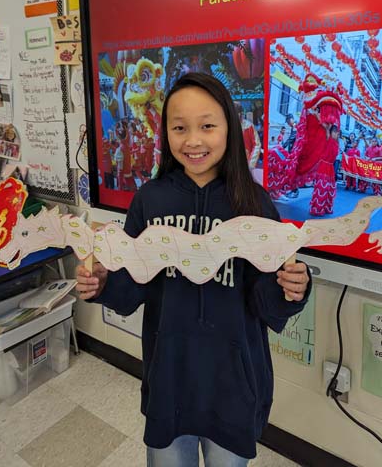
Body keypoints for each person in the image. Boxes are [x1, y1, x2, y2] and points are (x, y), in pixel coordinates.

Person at [76, 73, 310, 467]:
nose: (193, 140)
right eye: (180, 128)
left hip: (232, 385)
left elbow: (266, 298)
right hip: (170, 376)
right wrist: (102, 283)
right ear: (165, 132)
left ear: (229, 130)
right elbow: (134, 286)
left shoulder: (253, 202)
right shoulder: (150, 200)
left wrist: (293, 289)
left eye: (207, 126)